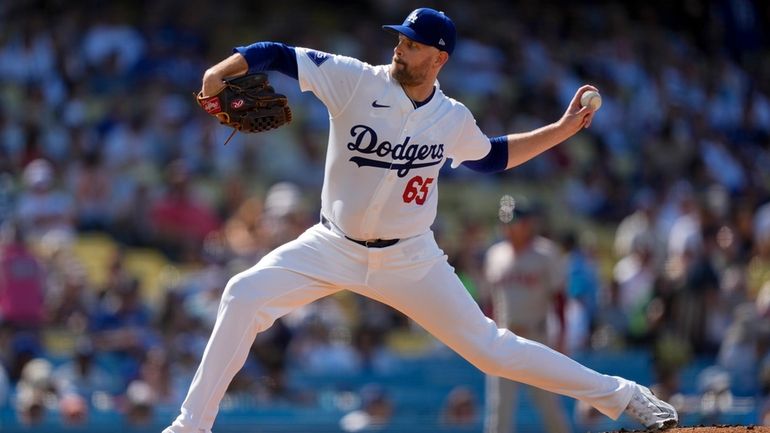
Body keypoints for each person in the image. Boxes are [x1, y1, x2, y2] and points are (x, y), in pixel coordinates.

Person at [164, 8, 678, 433]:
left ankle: (626, 396)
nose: (400, 47)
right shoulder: (353, 79)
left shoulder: (451, 118)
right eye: (401, 39)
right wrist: (220, 73)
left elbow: (493, 157)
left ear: (439, 58)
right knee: (242, 293)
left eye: (412, 43)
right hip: (332, 244)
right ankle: (191, 427)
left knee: (492, 351)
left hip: (410, 257)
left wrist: (563, 130)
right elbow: (274, 53)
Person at [482, 202, 572, 433]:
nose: (510, 228)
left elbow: (559, 298)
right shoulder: (495, 254)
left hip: (536, 336)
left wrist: (562, 334)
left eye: (515, 222)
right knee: (499, 410)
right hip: (502, 339)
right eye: (506, 223)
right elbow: (490, 302)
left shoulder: (545, 252)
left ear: (528, 223)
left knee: (550, 406)